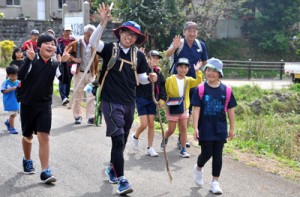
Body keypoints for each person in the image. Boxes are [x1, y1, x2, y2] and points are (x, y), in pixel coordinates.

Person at [89, 3, 157, 195]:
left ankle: (112, 168)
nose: (129, 37)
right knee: (118, 141)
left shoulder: (139, 56)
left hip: (130, 103)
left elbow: (142, 79)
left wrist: (150, 78)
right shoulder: (110, 48)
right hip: (110, 102)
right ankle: (122, 180)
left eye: (133, 35)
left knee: (122, 140)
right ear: (120, 34)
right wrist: (102, 23)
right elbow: (94, 43)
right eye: (126, 33)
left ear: (137, 38)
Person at [18, 33, 71, 184]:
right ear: (39, 46)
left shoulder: (55, 64)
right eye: (46, 43)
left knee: (44, 136)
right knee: (28, 136)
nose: (50, 46)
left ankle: (45, 171)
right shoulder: (31, 59)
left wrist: (65, 63)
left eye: (53, 44)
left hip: (45, 105)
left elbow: (65, 80)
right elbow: (21, 76)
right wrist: (28, 59)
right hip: (28, 104)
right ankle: (27, 159)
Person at [191, 58, 237, 194]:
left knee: (218, 155)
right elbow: (196, 109)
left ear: (219, 74)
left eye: (214, 71)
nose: (210, 73)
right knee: (207, 153)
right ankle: (198, 167)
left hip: (220, 127)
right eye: (208, 70)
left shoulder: (227, 90)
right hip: (205, 127)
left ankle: (215, 182)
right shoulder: (200, 89)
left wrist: (232, 128)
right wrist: (195, 127)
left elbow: (230, 110)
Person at [166, 21, 208, 149]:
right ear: (184, 32)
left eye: (194, 30)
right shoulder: (179, 43)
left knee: (188, 111)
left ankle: (181, 139)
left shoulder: (200, 45)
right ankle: (168, 133)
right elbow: (167, 54)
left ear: (197, 33)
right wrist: (174, 46)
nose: (192, 33)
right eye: (189, 30)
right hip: (177, 82)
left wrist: (201, 69)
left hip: (193, 83)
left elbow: (205, 60)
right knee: (175, 108)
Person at [161, 57, 202, 158]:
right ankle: (165, 137)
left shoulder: (188, 80)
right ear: (176, 67)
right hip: (172, 107)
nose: (183, 69)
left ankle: (183, 149)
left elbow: (198, 82)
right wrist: (162, 101)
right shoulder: (170, 79)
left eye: (185, 67)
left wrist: (198, 71)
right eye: (181, 67)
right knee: (171, 129)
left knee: (183, 128)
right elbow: (164, 92)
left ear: (188, 69)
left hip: (184, 107)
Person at [131, 50, 166, 157]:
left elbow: (162, 87)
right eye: (153, 57)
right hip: (141, 98)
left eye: (157, 58)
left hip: (152, 100)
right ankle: (135, 136)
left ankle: (150, 147)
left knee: (151, 124)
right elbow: (136, 75)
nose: (155, 60)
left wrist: (162, 99)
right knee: (144, 124)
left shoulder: (159, 73)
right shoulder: (142, 68)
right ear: (147, 58)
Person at [66, 24, 98, 125]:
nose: (90, 38)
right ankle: (77, 116)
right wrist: (74, 59)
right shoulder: (76, 43)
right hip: (79, 73)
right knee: (78, 94)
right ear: (84, 34)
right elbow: (66, 53)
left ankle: (91, 116)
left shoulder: (95, 44)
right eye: (89, 36)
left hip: (91, 74)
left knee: (91, 95)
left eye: (93, 36)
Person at [57, 24, 76, 105]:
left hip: (71, 64)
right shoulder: (58, 40)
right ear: (63, 31)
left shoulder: (73, 40)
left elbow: (77, 51)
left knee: (68, 81)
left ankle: (66, 96)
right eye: (66, 31)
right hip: (61, 63)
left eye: (69, 31)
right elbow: (57, 51)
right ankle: (63, 97)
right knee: (62, 80)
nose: (68, 32)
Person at [1, 65, 20, 134]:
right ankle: (12, 128)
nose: (15, 77)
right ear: (8, 75)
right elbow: (3, 91)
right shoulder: (6, 82)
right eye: (12, 76)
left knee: (14, 114)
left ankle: (7, 122)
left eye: (16, 75)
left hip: (16, 101)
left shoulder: (18, 82)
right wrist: (11, 89)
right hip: (9, 101)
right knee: (12, 115)